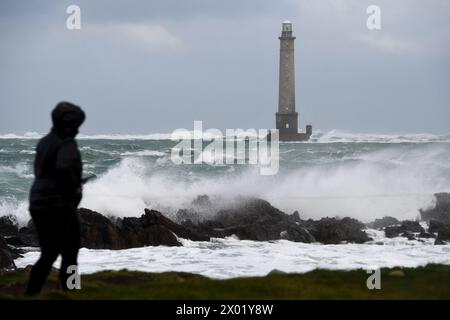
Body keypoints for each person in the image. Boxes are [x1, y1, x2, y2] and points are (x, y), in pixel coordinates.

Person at [25, 101, 86, 295]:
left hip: (38, 203)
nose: (77, 128)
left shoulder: (44, 142)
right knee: (71, 251)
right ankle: (72, 289)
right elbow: (64, 173)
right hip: (58, 205)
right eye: (76, 124)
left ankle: (32, 292)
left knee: (48, 253)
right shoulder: (66, 144)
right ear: (69, 124)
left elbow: (42, 172)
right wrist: (75, 187)